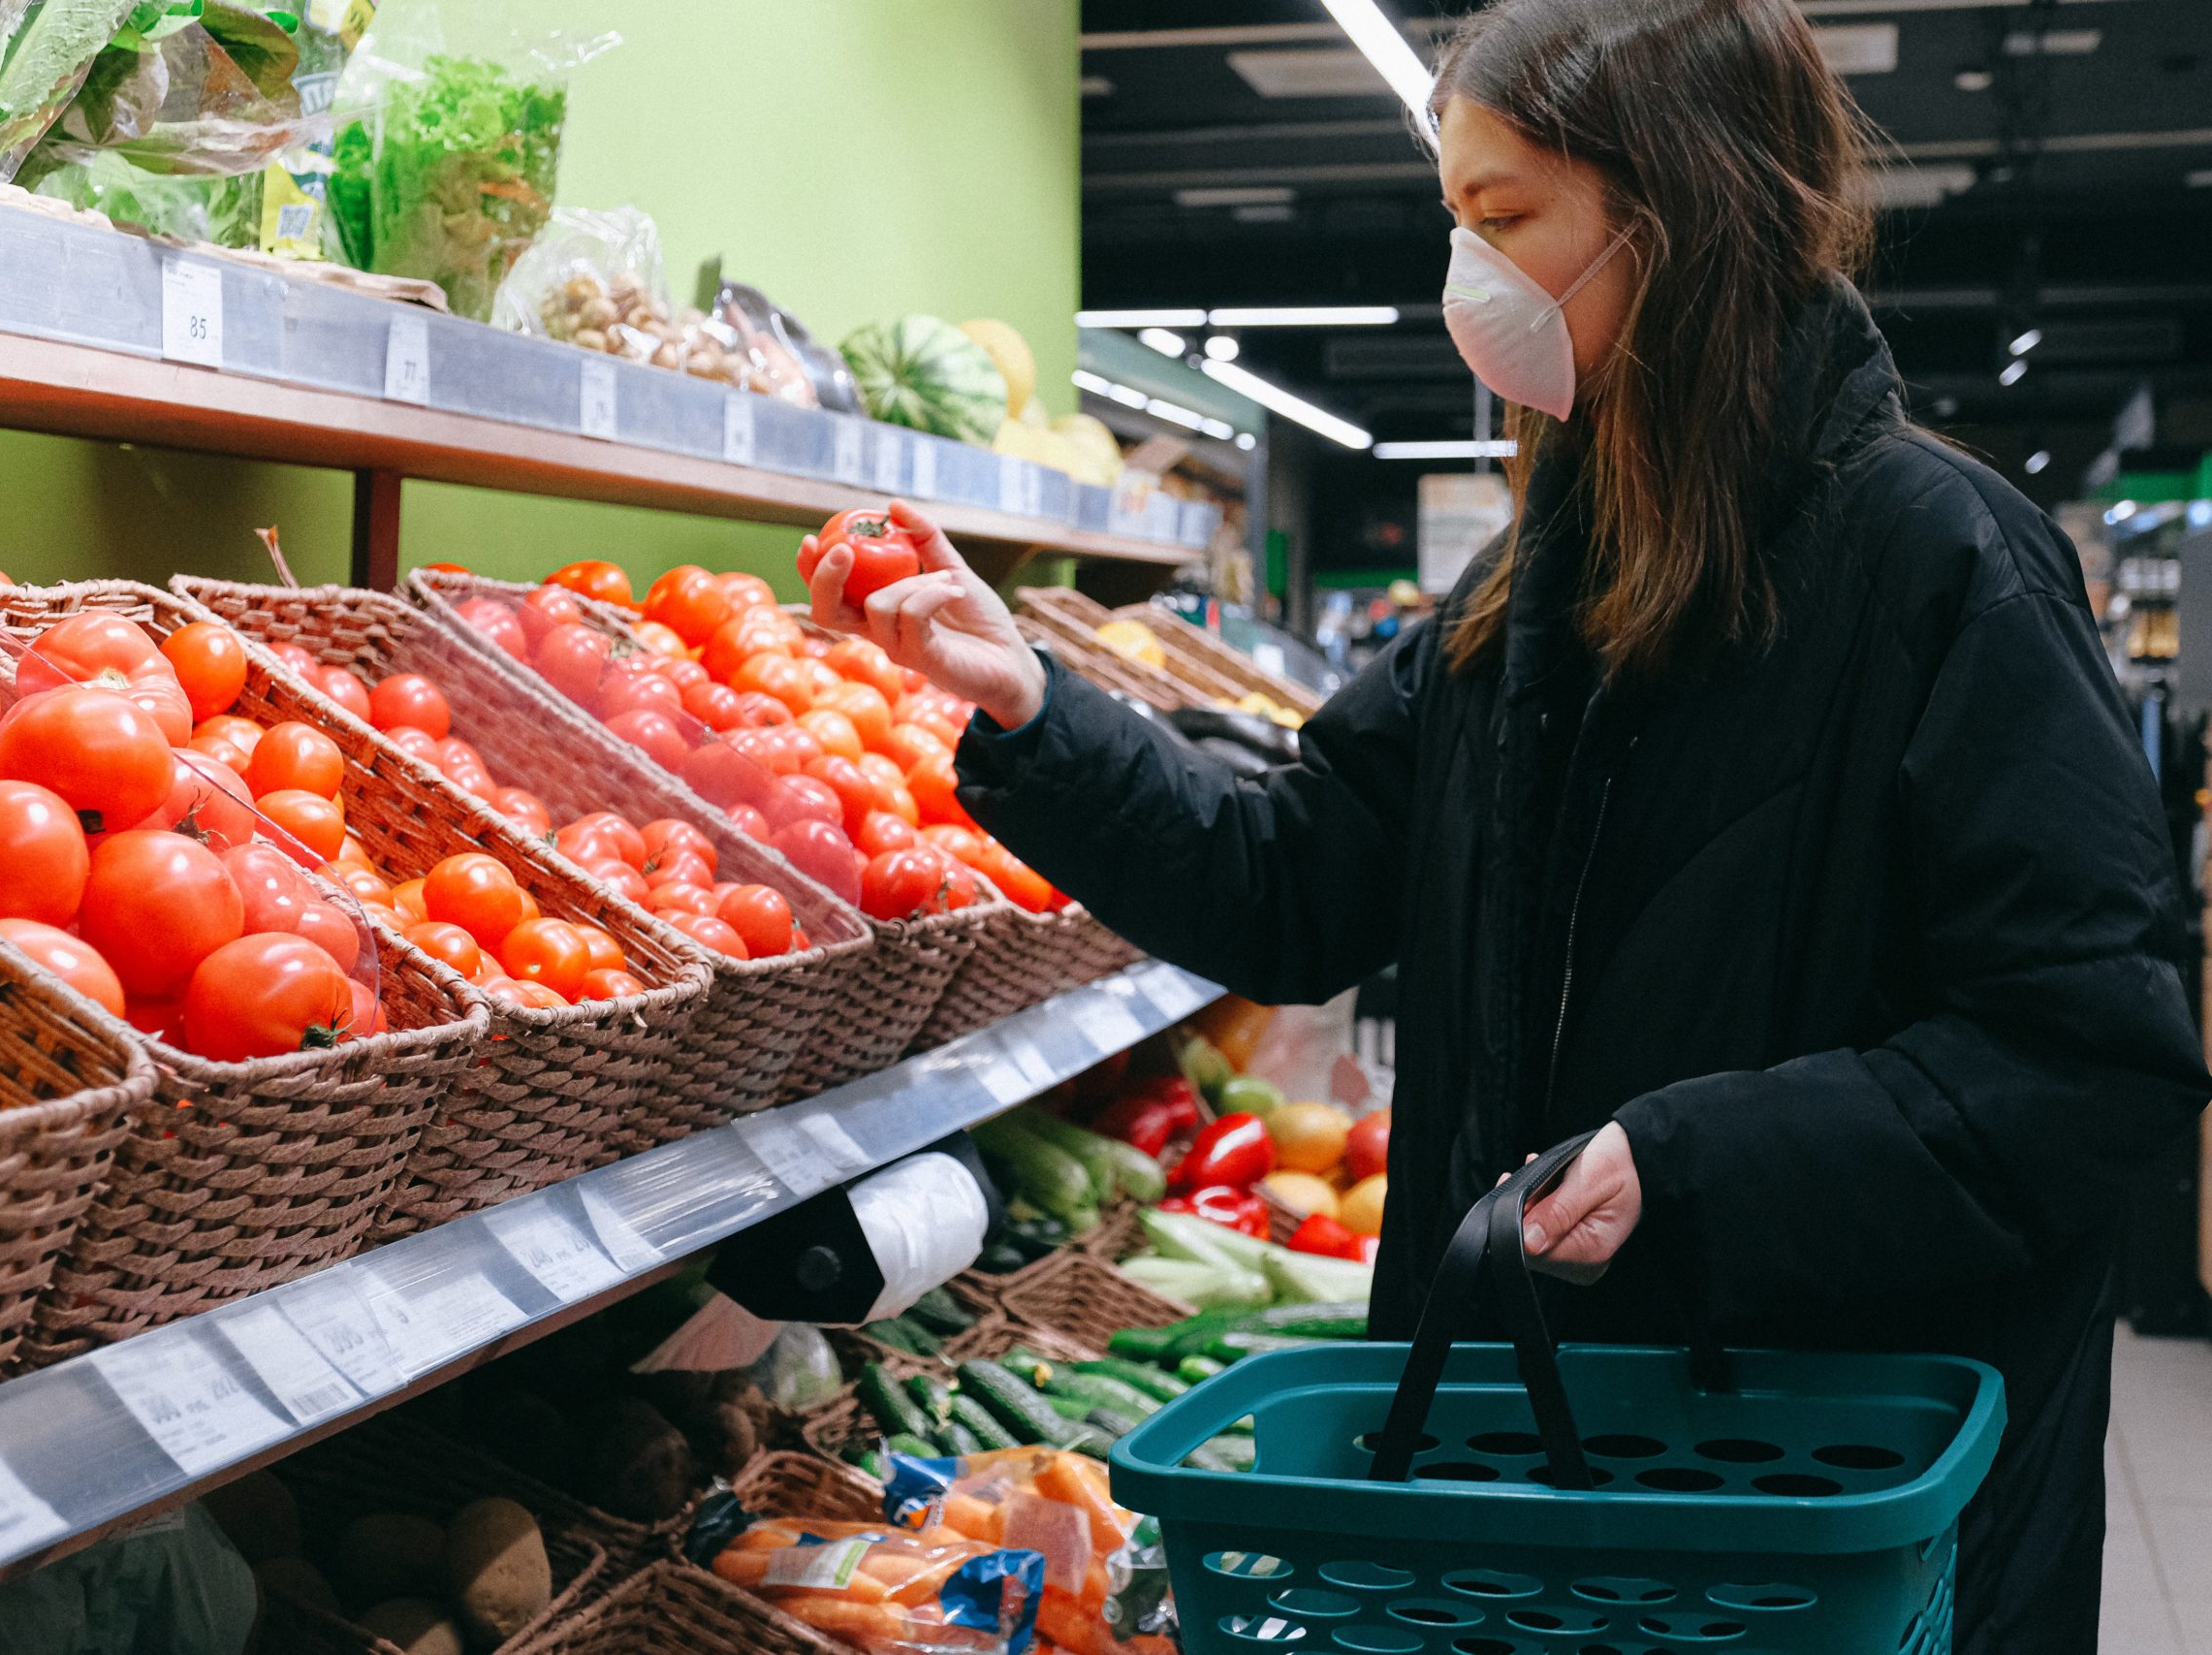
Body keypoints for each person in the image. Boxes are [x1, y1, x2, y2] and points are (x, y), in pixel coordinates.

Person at [803, 2, 2208, 1647]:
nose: (1467, 275)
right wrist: (1036, 705)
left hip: (1824, 1500)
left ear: (1682, 216)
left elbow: (2088, 1060)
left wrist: (1691, 1164)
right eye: (1454, 217)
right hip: (1542, 1464)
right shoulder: (1535, 583)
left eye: (1507, 217)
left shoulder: (1946, 568)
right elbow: (1297, 884)